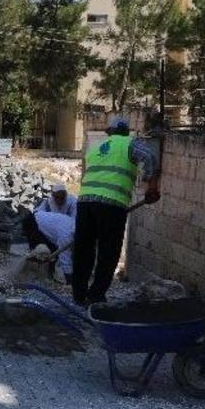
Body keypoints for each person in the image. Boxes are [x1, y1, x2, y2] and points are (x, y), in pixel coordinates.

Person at [72, 117, 160, 306]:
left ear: (109, 132)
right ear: (126, 131)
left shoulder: (95, 149)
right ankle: (95, 296)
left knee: (83, 250)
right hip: (112, 205)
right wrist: (151, 186)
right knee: (108, 251)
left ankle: (78, 295)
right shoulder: (129, 143)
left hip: (85, 202)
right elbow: (150, 157)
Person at [29, 210, 76, 284]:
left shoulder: (76, 225)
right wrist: (70, 280)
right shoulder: (66, 235)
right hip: (34, 222)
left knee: (53, 253)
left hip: (47, 222)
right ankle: (36, 275)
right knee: (41, 253)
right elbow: (64, 257)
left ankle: (51, 274)